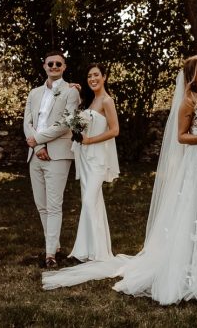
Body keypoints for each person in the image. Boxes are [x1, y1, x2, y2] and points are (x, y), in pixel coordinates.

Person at [41, 56, 197, 305]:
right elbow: (181, 137)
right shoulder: (187, 102)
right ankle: (192, 269)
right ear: (193, 76)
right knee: (196, 211)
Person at [24, 50, 80, 268]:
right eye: (51, 63)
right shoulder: (34, 93)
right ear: (44, 65)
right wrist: (37, 145)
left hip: (58, 154)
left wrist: (38, 138)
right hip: (35, 153)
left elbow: (65, 124)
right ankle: (53, 245)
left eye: (58, 64)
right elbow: (27, 122)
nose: (54, 66)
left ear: (64, 67)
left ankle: (50, 255)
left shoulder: (71, 92)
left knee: (54, 204)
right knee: (41, 204)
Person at [68, 63, 120, 262]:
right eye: (89, 76)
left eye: (96, 75)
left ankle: (100, 253)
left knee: (90, 201)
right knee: (92, 202)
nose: (93, 79)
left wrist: (90, 140)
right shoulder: (90, 101)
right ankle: (89, 250)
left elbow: (114, 130)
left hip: (98, 158)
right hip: (85, 157)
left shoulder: (107, 101)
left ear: (104, 76)